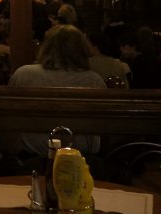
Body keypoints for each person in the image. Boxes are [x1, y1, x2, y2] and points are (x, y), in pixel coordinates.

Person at [9, 25, 106, 156]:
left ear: (46, 48)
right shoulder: (94, 81)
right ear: (82, 49)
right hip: (81, 156)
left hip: (32, 155)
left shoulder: (23, 74)